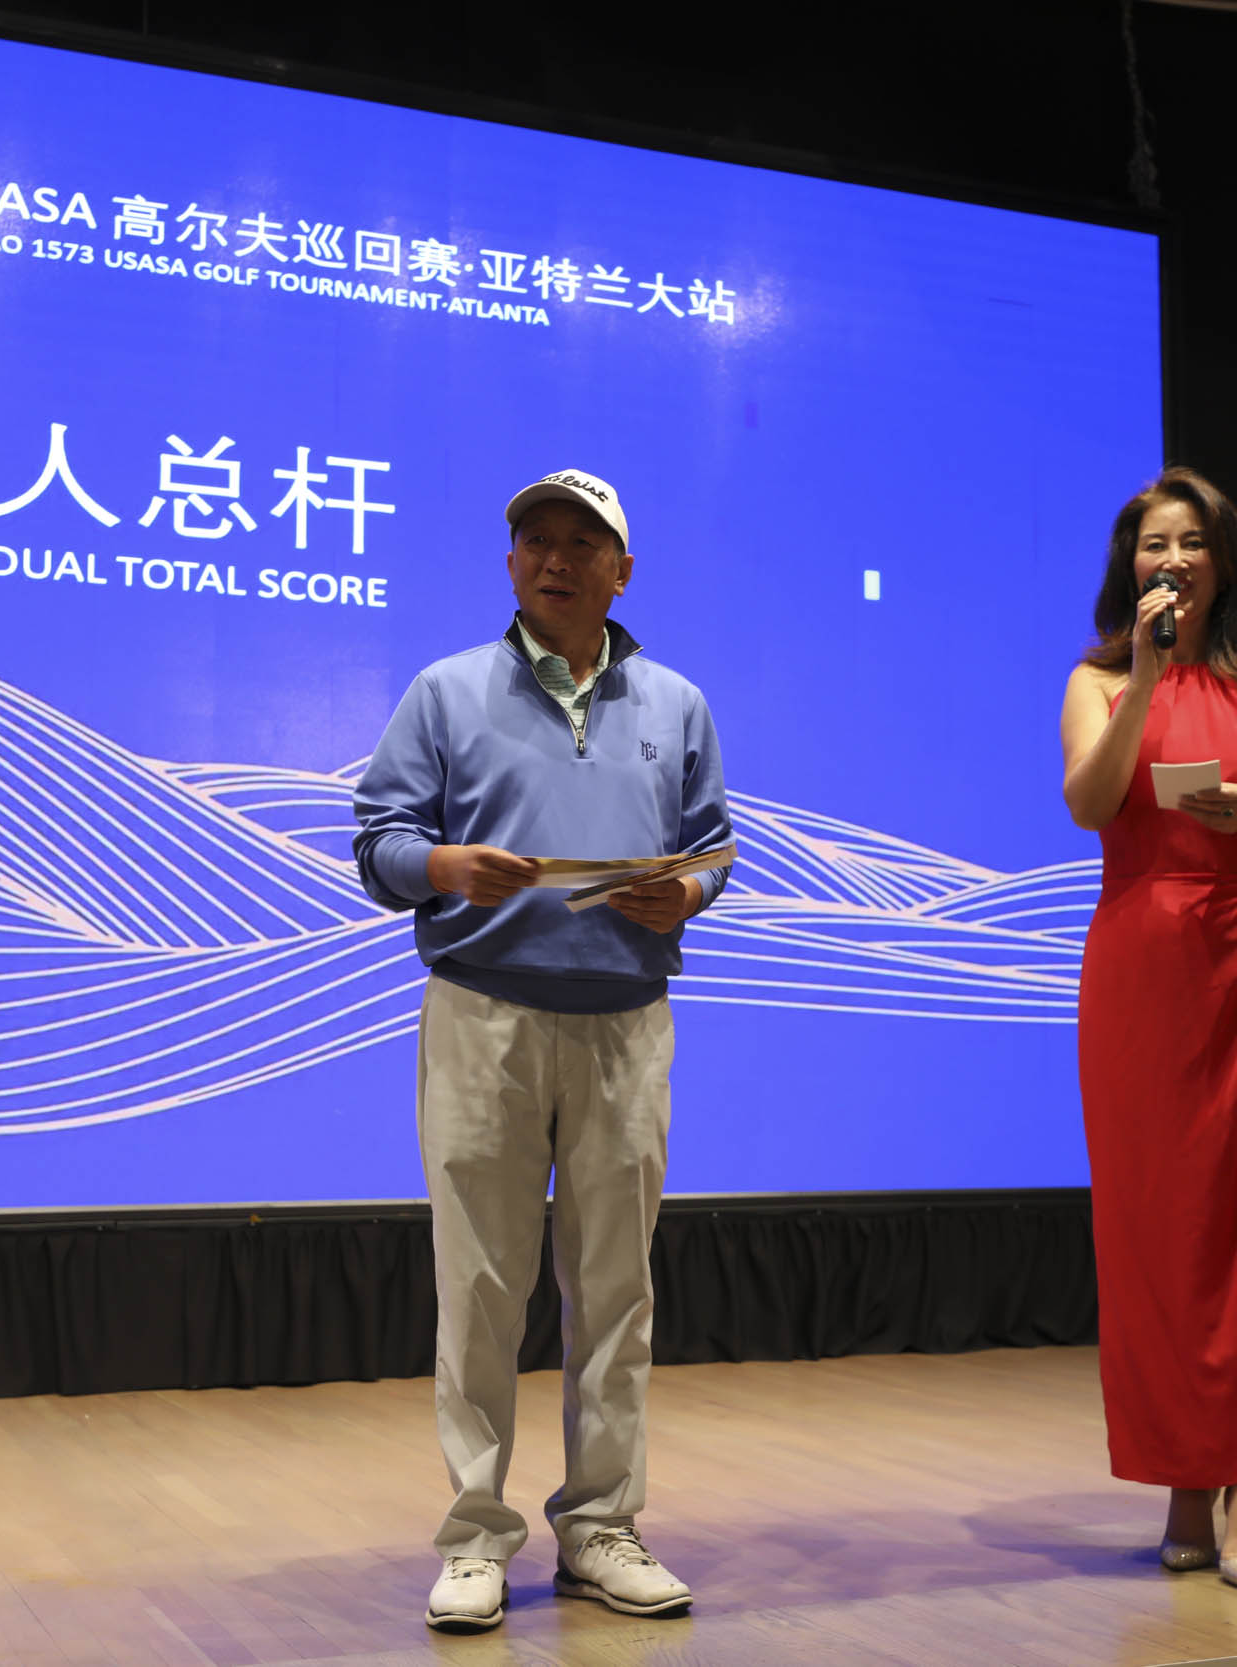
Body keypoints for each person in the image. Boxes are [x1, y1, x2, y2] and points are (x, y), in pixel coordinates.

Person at [352, 468, 732, 1634]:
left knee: (616, 1287)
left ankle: (600, 1526)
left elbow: (712, 845)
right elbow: (378, 840)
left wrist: (687, 891)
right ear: (510, 561)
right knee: (479, 1285)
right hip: (484, 1015)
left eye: (581, 542)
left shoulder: (675, 701)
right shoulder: (447, 689)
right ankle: (475, 1535)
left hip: (626, 1019)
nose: (555, 558)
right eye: (534, 541)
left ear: (623, 570)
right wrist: (443, 866)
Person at [1058, 466, 1237, 1593]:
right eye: (1152, 544)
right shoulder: (1097, 677)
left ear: (1221, 559)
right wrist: (1144, 674)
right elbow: (1089, 803)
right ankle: (1184, 1471)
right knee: (1162, 1233)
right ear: (1129, 567)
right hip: (1145, 969)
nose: (1170, 559)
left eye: (1189, 542)